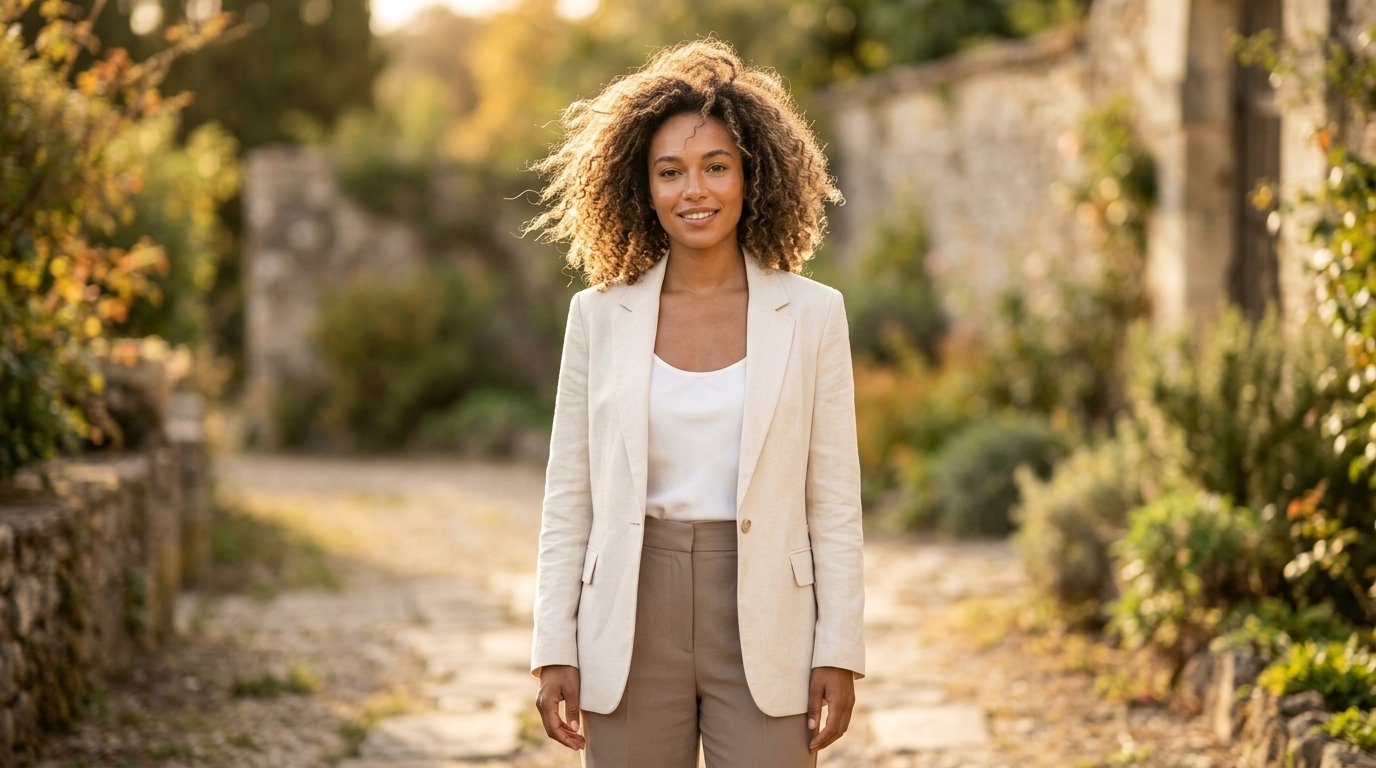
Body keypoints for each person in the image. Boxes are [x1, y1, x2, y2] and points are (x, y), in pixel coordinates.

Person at [525, 38, 865, 767]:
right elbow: (569, 495)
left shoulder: (813, 315)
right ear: (641, 187)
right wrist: (554, 642)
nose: (695, 191)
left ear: (752, 176)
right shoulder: (597, 316)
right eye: (670, 172)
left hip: (769, 616)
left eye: (716, 167)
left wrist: (839, 647)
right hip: (629, 611)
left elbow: (834, 500)